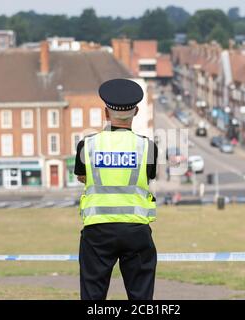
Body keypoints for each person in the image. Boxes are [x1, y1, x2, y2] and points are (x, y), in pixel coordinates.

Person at [74, 78, 158, 300]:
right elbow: (147, 177)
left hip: (97, 229)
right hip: (136, 229)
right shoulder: (147, 147)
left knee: (93, 297)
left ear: (105, 112)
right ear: (136, 111)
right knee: (141, 298)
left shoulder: (87, 145)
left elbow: (83, 177)